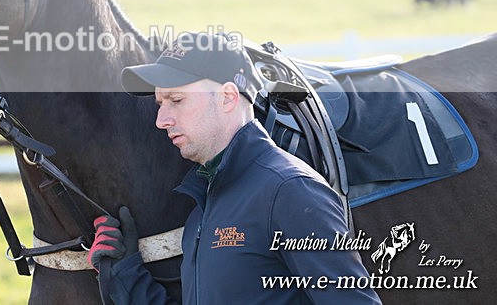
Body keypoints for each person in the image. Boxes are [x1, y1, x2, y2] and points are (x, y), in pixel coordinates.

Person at [88, 32, 380, 304]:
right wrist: (125, 273)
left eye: (176, 100)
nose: (161, 120)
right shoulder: (204, 203)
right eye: (160, 104)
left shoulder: (290, 191)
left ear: (228, 97)